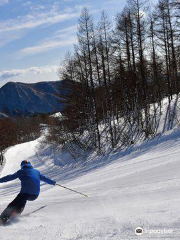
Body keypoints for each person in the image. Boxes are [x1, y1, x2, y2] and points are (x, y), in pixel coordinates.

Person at [0, 160, 56, 224]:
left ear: (22, 166)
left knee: (13, 203)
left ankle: (2, 218)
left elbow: (9, 177)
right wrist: (53, 182)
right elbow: (45, 179)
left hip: (25, 193)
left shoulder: (21, 171)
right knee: (23, 199)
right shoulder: (37, 172)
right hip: (35, 195)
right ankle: (16, 213)